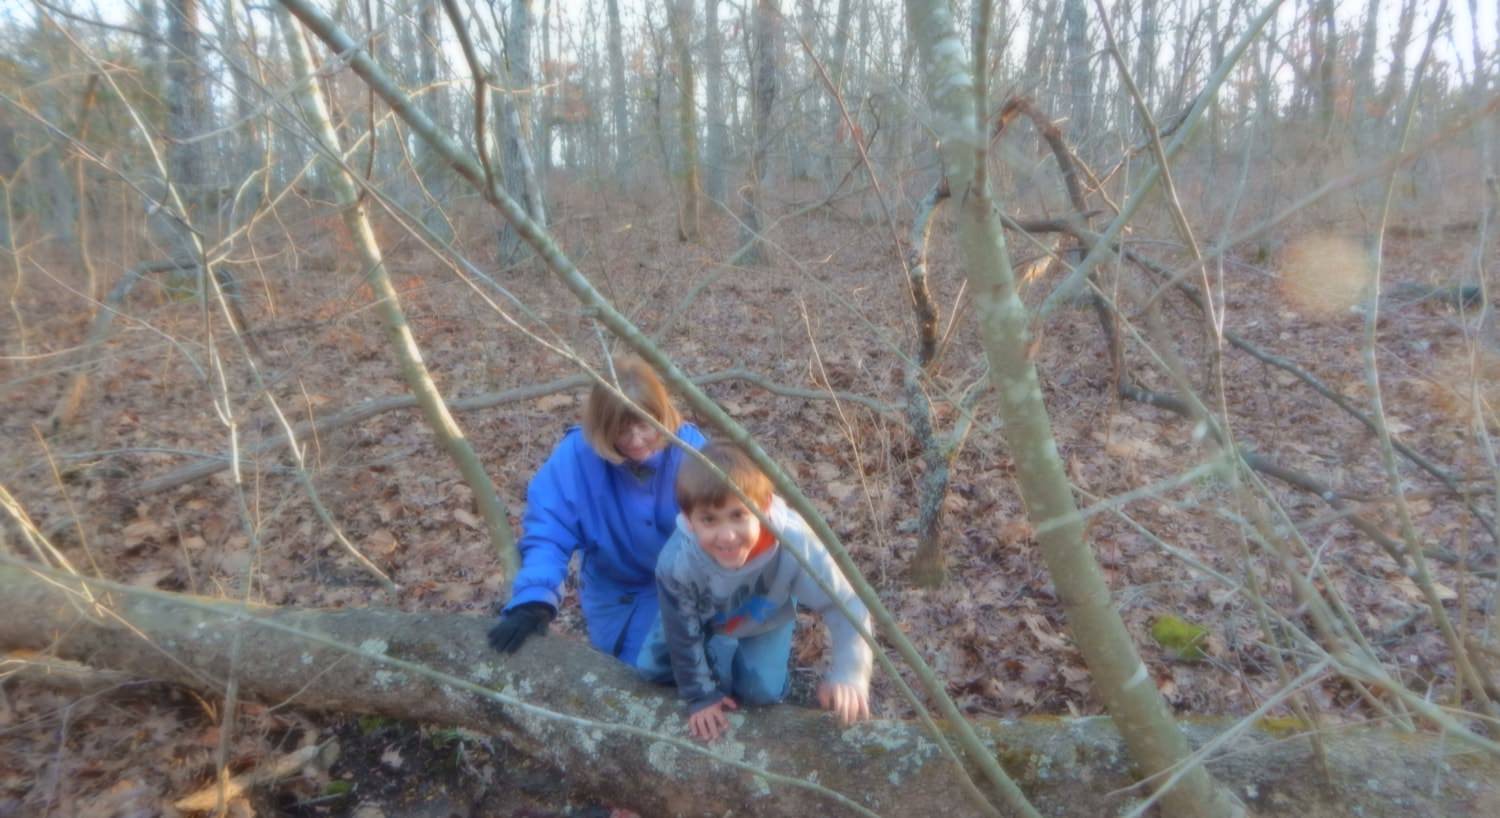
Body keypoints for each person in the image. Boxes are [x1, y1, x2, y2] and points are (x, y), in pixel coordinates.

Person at [636, 442, 873, 742]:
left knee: (761, 691)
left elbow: (845, 603)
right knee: (651, 669)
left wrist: (850, 672)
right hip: (699, 615)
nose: (727, 536)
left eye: (739, 515)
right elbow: (681, 631)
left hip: (764, 615)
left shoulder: (795, 542)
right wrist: (701, 697)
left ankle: (763, 671)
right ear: (689, 521)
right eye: (709, 519)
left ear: (762, 507)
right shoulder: (677, 562)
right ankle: (716, 655)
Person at [488, 357, 706, 663]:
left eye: (645, 425)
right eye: (622, 431)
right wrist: (534, 600)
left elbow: (723, 526)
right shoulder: (576, 457)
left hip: (679, 590)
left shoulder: (692, 453)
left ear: (661, 414)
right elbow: (549, 531)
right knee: (619, 671)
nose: (636, 441)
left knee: (662, 671)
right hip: (611, 593)